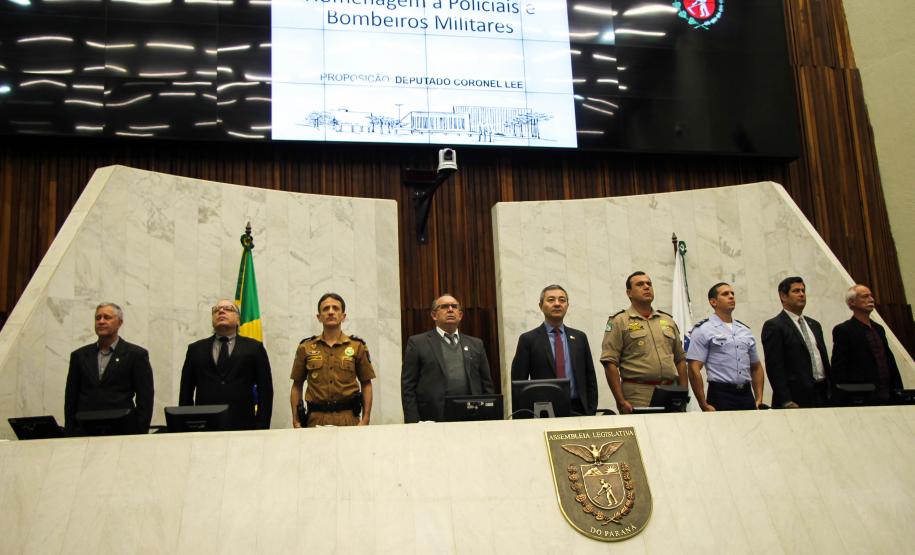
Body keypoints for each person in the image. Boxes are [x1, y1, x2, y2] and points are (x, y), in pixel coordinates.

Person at [600, 272, 687, 414]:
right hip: (638, 394)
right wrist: (620, 400)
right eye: (640, 284)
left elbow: (680, 358)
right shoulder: (619, 321)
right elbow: (609, 362)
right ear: (629, 293)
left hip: (671, 391)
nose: (646, 287)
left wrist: (683, 393)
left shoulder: (667, 320)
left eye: (649, 284)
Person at [179, 299, 273, 430]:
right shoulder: (196, 349)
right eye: (216, 310)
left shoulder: (254, 348)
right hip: (204, 426)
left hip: (244, 425)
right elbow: (186, 392)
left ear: (238, 320)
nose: (221, 311)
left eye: (228, 309)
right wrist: (186, 425)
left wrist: (261, 426)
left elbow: (265, 391)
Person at [401, 294, 495, 423]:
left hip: (471, 417)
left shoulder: (476, 344)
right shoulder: (418, 343)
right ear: (434, 315)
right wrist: (413, 422)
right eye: (444, 307)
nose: (450, 309)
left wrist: (488, 417)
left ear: (460, 315)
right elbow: (408, 386)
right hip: (432, 419)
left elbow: (486, 384)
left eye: (454, 307)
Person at [64, 303, 154, 434]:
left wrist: (139, 432)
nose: (101, 321)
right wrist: (70, 431)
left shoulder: (136, 355)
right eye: (98, 318)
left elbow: (145, 398)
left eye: (107, 317)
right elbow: (71, 398)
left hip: (122, 430)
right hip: (85, 430)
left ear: (119, 323)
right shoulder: (79, 356)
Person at [510, 284, 598, 416]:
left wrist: (590, 410)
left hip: (578, 409)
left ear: (567, 306)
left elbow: (590, 377)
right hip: (544, 411)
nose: (557, 304)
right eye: (551, 300)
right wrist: (523, 416)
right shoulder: (528, 339)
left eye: (562, 300)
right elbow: (518, 382)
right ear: (540, 306)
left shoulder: (579, 337)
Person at [290, 293, 374, 427]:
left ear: (343, 316)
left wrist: (365, 419)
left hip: (348, 419)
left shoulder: (357, 346)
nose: (330, 312)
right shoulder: (305, 348)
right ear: (319, 317)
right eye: (326, 309)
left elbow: (366, 383)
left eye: (335, 308)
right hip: (315, 419)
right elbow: (297, 385)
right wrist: (295, 420)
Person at [686, 282, 765, 411]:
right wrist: (703, 404)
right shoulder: (703, 330)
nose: (731, 296)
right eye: (725, 294)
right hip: (721, 394)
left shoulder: (744, 330)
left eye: (732, 293)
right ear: (713, 302)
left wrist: (759, 399)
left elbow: (756, 367)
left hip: (746, 393)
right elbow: (694, 368)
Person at [761, 277, 831, 408]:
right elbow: (774, 367)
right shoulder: (774, 326)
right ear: (783, 296)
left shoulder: (814, 325)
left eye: (803, 290)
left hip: (822, 394)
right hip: (795, 398)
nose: (802, 294)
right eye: (796, 291)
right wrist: (785, 400)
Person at [831, 284, 903, 403]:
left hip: (888, 394)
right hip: (863, 396)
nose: (871, 299)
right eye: (865, 296)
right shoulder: (844, 330)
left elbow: (888, 360)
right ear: (851, 303)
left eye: (871, 296)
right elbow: (839, 367)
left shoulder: (878, 328)